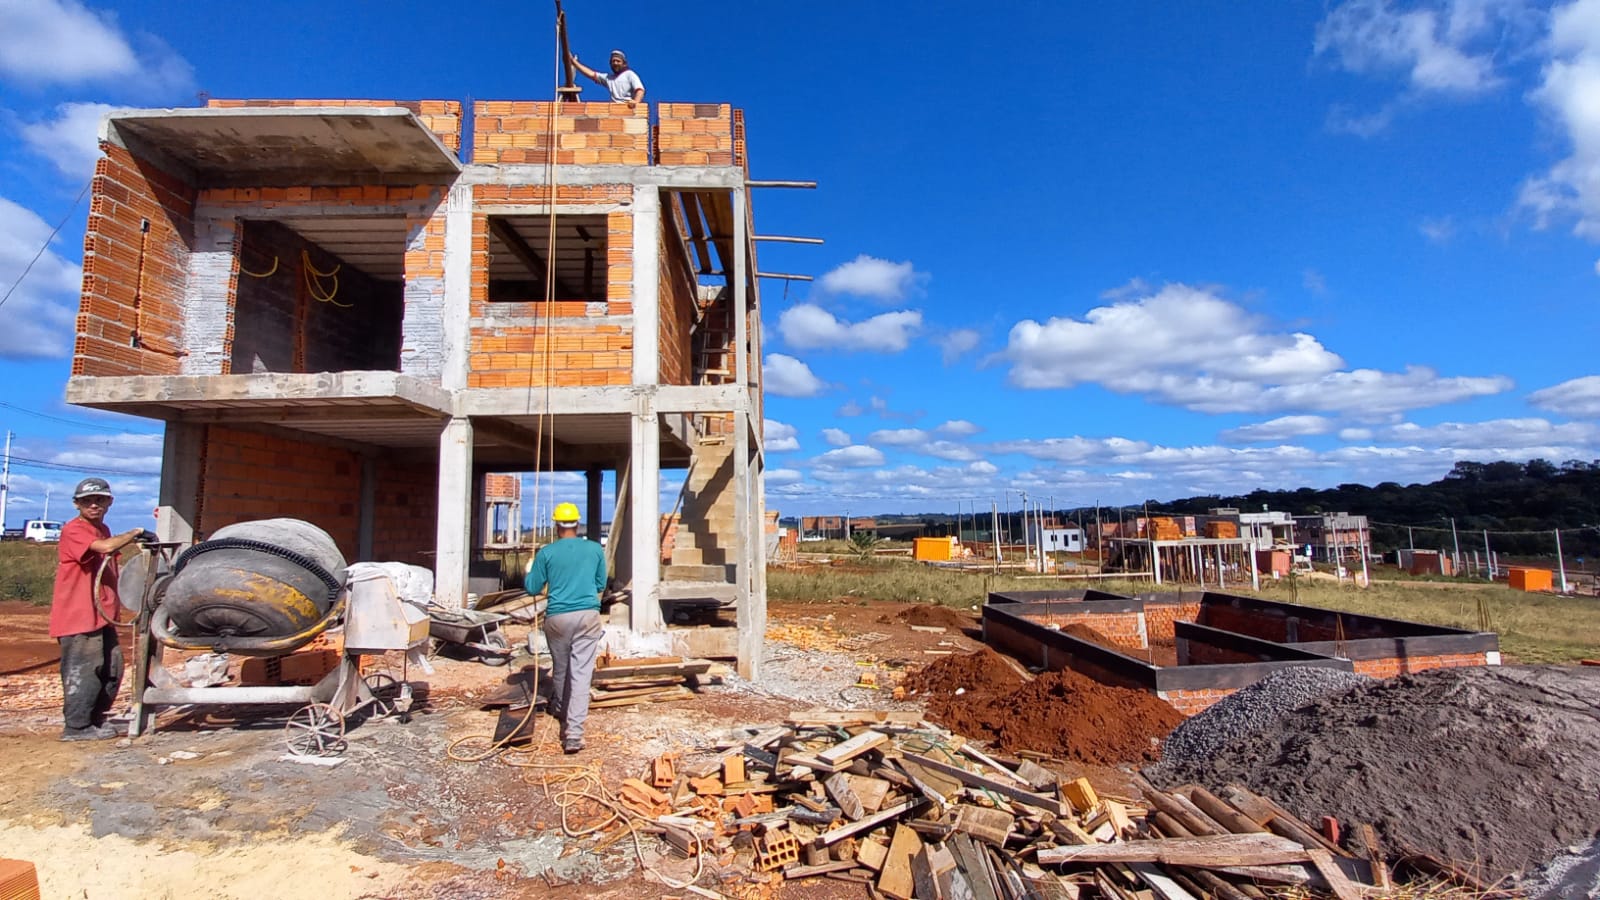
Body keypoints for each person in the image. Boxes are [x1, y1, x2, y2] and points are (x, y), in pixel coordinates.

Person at [50, 478, 147, 741]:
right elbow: (105, 549)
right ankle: (77, 726)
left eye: (100, 500)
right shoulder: (75, 529)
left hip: (101, 615)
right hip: (78, 615)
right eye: (87, 501)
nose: (94, 505)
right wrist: (135, 533)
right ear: (76, 504)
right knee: (84, 668)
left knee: (112, 668)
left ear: (109, 502)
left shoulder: (102, 529)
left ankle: (95, 719)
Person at [524, 501, 607, 753]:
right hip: (587, 616)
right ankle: (573, 733)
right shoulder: (594, 549)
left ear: (556, 525)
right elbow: (601, 583)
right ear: (577, 523)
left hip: (557, 618)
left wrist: (529, 570)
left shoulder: (547, 553)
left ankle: (559, 707)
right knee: (581, 675)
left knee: (561, 667)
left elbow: (531, 588)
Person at [569, 49, 645, 105]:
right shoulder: (609, 78)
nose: (615, 63)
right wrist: (573, 62)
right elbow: (591, 74)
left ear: (624, 64)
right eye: (613, 61)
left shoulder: (629, 74)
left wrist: (635, 102)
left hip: (627, 108)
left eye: (618, 61)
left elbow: (640, 90)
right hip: (615, 109)